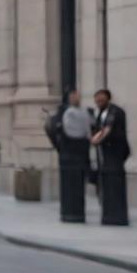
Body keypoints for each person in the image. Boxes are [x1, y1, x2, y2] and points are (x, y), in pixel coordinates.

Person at [90, 88, 130, 225]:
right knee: (104, 184)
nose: (98, 102)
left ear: (108, 98)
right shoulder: (100, 113)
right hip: (104, 156)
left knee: (114, 184)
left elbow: (107, 129)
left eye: (101, 99)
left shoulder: (115, 112)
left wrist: (96, 140)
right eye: (97, 100)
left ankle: (115, 216)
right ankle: (107, 213)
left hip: (115, 153)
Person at [58, 90, 92, 223]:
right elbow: (71, 132)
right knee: (72, 186)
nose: (76, 98)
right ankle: (70, 214)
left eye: (77, 96)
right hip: (71, 155)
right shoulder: (68, 113)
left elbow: (87, 130)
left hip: (79, 155)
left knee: (78, 185)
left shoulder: (84, 112)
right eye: (73, 96)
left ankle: (75, 214)